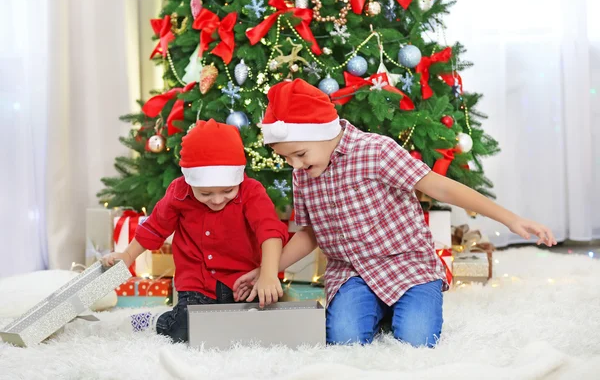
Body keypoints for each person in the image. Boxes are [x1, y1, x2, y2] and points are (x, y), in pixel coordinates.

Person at [233, 79, 556, 347]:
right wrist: (266, 269)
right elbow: (310, 232)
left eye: (299, 155)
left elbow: (441, 187)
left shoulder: (376, 151)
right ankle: (376, 307)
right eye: (288, 159)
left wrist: (510, 218)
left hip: (408, 267)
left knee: (416, 342)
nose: (296, 165)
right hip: (352, 273)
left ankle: (403, 304)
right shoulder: (304, 170)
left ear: (322, 132)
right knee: (344, 340)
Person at [102, 119, 288, 343]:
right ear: (190, 182)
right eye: (206, 194)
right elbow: (154, 227)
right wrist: (127, 255)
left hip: (243, 282)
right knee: (187, 330)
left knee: (249, 331)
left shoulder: (252, 192)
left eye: (227, 190)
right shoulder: (179, 192)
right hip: (197, 284)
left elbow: (270, 232)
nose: (217, 200)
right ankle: (155, 320)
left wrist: (267, 274)